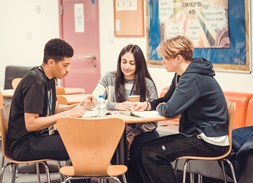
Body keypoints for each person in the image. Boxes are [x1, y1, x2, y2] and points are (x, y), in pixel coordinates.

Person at [133, 35, 229, 183]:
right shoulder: (182, 76)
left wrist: (160, 107)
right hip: (196, 134)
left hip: (208, 140)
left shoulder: (193, 78)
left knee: (151, 153)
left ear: (178, 58)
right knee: (142, 148)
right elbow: (167, 99)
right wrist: (147, 105)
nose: (162, 61)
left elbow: (170, 110)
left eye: (165, 58)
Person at [6, 38, 96, 162]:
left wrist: (80, 105)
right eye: (65, 65)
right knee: (78, 143)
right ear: (51, 62)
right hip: (23, 144)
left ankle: (82, 178)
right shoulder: (35, 81)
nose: (68, 69)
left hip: (39, 136)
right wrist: (68, 114)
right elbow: (31, 124)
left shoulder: (50, 79)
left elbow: (54, 109)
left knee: (82, 137)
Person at [92, 44, 159, 183]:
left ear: (139, 64)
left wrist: (132, 134)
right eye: (124, 62)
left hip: (140, 131)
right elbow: (93, 102)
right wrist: (117, 105)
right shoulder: (109, 78)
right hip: (110, 130)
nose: (126, 66)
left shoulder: (147, 84)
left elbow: (154, 114)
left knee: (140, 148)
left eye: (132, 63)